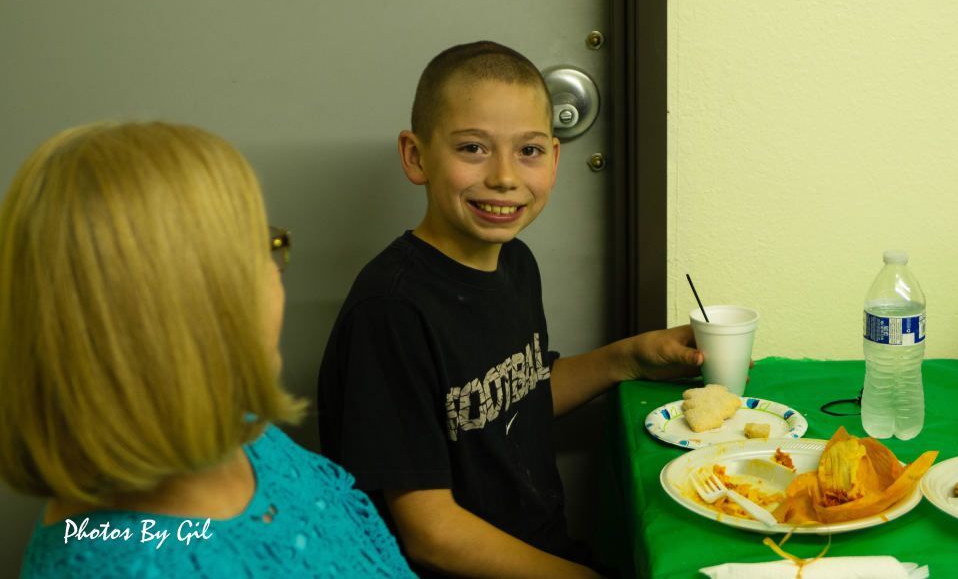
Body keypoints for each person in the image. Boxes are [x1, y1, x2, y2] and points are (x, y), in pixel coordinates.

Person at [318, 41, 705, 578]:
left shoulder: (514, 262)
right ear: (416, 156)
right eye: (473, 148)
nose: (504, 176)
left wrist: (629, 359)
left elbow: (512, 397)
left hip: (541, 550)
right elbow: (430, 533)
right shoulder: (391, 312)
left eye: (528, 151)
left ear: (555, 156)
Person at [0, 122, 415, 578]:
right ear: (185, 314)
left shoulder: (249, 439)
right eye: (257, 251)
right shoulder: (118, 563)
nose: (277, 272)